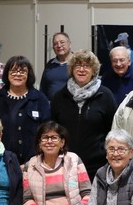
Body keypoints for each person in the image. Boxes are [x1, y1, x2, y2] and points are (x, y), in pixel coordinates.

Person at [50, 50, 116, 181]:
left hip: (97, 166)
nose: (82, 69)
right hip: (65, 164)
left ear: (94, 70)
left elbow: (112, 130)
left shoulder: (105, 96)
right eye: (78, 65)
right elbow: (53, 130)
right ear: (71, 69)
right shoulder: (59, 96)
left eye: (87, 66)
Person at [0, 55, 51, 164]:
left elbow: (46, 130)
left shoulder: (39, 99)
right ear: (7, 74)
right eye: (13, 71)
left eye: (22, 71)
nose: (17, 74)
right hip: (1, 160)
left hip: (34, 161)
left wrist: (34, 159)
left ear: (28, 74)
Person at [40, 32, 73, 101]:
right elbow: (43, 88)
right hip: (51, 106)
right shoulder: (50, 64)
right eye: (55, 44)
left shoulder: (78, 63)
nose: (59, 45)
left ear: (70, 44)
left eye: (62, 42)